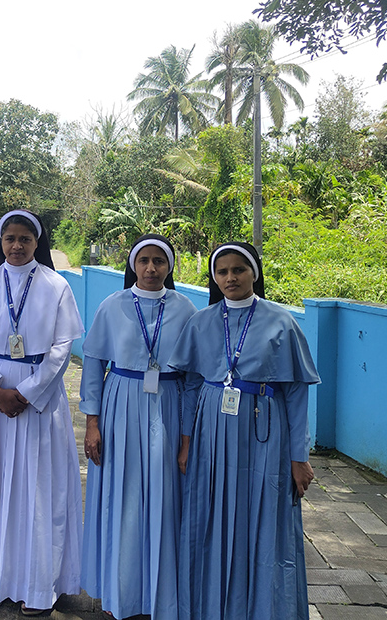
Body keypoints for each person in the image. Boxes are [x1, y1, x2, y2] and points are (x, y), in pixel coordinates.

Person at [169, 241, 320, 620]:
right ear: (214, 278)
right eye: (222, 272)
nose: (230, 277)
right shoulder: (201, 321)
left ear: (254, 273)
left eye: (239, 270)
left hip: (264, 433)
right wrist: (186, 442)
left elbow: (297, 392)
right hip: (211, 433)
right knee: (211, 515)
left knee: (265, 517)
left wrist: (298, 457)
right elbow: (190, 385)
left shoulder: (280, 321)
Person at [0, 210, 84, 615]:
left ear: (36, 242)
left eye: (25, 238)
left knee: (39, 492)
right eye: (10, 238)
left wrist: (24, 393)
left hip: (39, 403)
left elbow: (62, 349)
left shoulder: (56, 286)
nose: (17, 245)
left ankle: (38, 585)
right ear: (0, 241)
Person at [80, 234, 197, 620]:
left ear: (170, 266)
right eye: (143, 261)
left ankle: (162, 597)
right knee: (125, 499)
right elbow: (94, 364)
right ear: (132, 265)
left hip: (169, 401)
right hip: (122, 402)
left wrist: (187, 436)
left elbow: (195, 373)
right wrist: (92, 423)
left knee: (166, 498)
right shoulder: (112, 306)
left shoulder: (185, 309)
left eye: (159, 261)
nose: (150, 268)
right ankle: (123, 594)